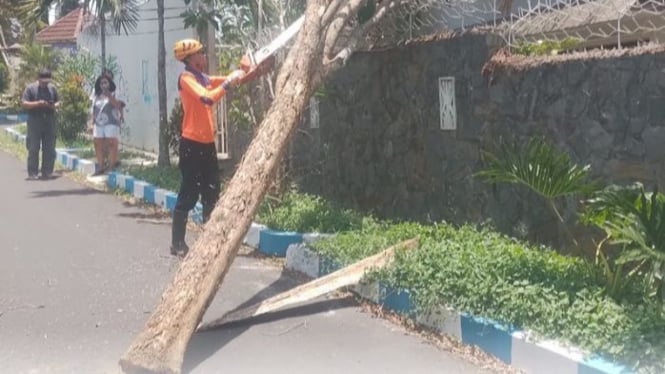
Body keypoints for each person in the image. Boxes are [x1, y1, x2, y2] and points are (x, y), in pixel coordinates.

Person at [170, 38, 246, 256]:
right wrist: (227, 83)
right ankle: (177, 243)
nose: (204, 56)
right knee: (189, 192)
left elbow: (231, 80)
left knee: (212, 191)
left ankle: (208, 242)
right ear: (192, 58)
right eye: (201, 53)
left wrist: (248, 71)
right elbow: (207, 99)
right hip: (191, 145)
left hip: (207, 144)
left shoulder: (204, 78)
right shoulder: (187, 78)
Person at [21, 68, 60, 180]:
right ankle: (33, 172)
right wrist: (37, 103)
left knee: (49, 147)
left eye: (48, 81)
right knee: (33, 147)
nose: (46, 84)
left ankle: (47, 171)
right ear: (38, 79)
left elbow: (58, 101)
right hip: (35, 120)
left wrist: (54, 105)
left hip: (49, 119)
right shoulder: (30, 88)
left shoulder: (52, 88)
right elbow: (24, 103)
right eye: (43, 82)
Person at [90, 73, 124, 175]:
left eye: (105, 82)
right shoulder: (96, 94)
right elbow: (92, 107)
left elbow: (119, 105)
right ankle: (100, 166)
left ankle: (111, 166)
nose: (103, 84)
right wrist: (91, 121)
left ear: (110, 83)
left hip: (111, 121)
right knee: (97, 142)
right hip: (98, 122)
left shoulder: (115, 92)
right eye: (101, 83)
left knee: (111, 142)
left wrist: (109, 95)